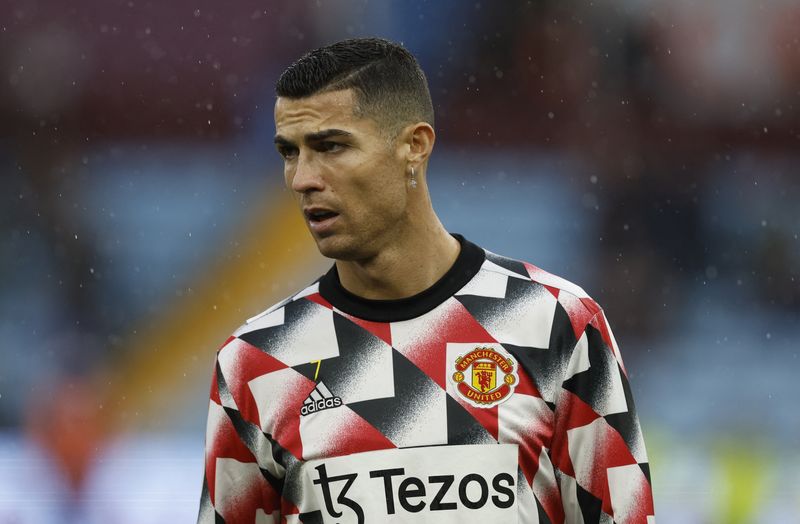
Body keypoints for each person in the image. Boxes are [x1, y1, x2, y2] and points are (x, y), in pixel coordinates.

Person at [198, 37, 655, 524]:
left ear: (414, 146)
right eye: (290, 153)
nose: (301, 178)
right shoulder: (256, 360)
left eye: (331, 146)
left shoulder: (557, 324)